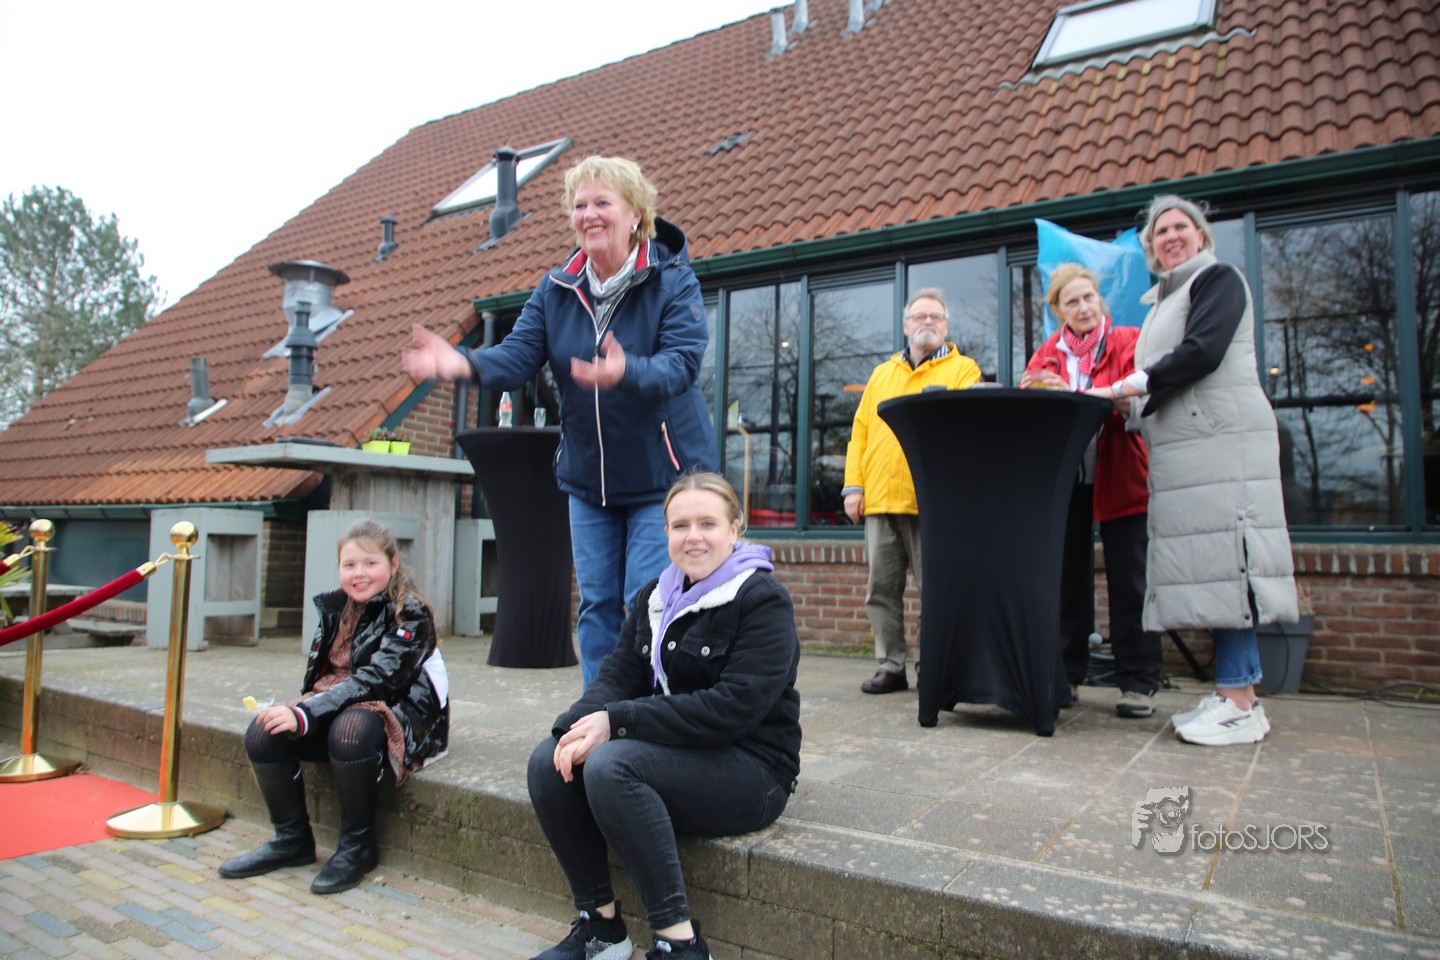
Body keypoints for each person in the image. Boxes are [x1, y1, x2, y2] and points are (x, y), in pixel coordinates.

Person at [403, 155, 717, 689]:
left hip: (661, 477)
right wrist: (462, 363)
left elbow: (682, 364)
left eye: (602, 203)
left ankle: (648, 715)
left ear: (635, 214)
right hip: (588, 478)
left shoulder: (672, 281)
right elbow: (516, 356)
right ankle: (598, 712)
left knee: (645, 601)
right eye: (579, 205)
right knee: (596, 606)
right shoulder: (556, 289)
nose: (588, 215)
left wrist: (626, 371)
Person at [525, 472, 800, 960]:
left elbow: (731, 709)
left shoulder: (761, 600)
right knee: (549, 761)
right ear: (666, 532)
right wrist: (572, 730)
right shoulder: (656, 595)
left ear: (734, 528)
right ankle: (601, 930)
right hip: (684, 754)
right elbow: (618, 674)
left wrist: (617, 721)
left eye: (707, 523)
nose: (693, 537)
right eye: (680, 525)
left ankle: (681, 944)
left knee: (612, 765)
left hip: (753, 770)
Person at [1085, 195, 1299, 746]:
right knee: (1213, 568)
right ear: (1151, 248)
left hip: (1223, 445)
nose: (1171, 236)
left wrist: (1125, 386)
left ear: (1201, 235)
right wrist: (1126, 407)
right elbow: (1162, 384)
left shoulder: (1217, 279)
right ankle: (1235, 692)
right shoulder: (1162, 302)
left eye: (1181, 226)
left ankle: (1239, 702)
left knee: (1230, 564)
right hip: (1190, 451)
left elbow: (1202, 353)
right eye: (1160, 232)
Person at [218, 519, 449, 894]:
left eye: (370, 563)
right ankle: (291, 840)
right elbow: (327, 676)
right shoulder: (336, 607)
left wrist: (306, 714)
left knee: (349, 732)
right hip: (341, 699)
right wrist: (300, 711)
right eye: (349, 564)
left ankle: (358, 847)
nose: (359, 573)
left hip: (404, 708)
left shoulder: (411, 613)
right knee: (264, 731)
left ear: (392, 564)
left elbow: (379, 680)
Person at [1020, 264, 1163, 718]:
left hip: (1122, 472)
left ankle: (1138, 683)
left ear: (1100, 300)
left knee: (1130, 579)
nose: (1083, 308)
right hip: (1067, 481)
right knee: (1066, 580)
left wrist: (1101, 397)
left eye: (1088, 298)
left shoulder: (1129, 341)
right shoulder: (1047, 353)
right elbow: (1029, 409)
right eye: (1072, 302)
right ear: (1058, 310)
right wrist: (1042, 396)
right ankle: (1066, 675)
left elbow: (1145, 401)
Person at [842, 288, 982, 694]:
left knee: (935, 590)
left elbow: (967, 429)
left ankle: (931, 665)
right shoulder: (881, 374)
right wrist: (854, 488)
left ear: (946, 326)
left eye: (936, 316)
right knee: (880, 591)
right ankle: (890, 666)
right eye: (920, 316)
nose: (927, 322)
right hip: (879, 500)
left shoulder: (964, 371)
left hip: (932, 502)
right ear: (906, 326)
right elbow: (860, 433)